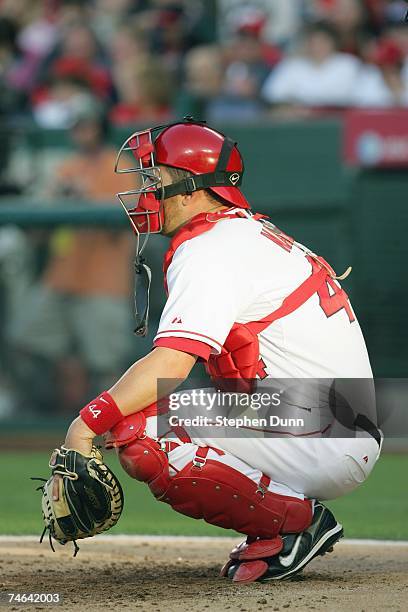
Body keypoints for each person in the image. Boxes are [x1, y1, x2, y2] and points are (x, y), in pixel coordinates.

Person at [52, 118, 382, 583]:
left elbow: (171, 364)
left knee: (139, 431)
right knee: (152, 412)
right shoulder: (240, 232)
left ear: (190, 190)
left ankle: (295, 524)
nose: (145, 191)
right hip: (331, 419)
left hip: (323, 431)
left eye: (156, 179)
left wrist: (83, 426)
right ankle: (287, 513)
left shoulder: (211, 248)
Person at [8, 100, 135, 412]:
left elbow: (127, 222)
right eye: (76, 126)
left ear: (101, 127)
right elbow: (38, 233)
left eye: (87, 125)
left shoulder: (119, 164)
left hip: (104, 282)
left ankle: (117, 431)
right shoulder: (67, 167)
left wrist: (84, 198)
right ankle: (45, 415)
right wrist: (51, 201)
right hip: (61, 279)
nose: (81, 132)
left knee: (106, 364)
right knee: (22, 340)